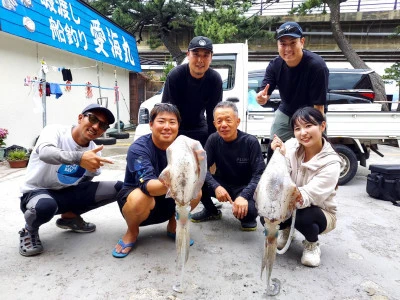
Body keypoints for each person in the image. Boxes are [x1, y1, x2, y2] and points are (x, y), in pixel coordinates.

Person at [19, 103, 122, 257]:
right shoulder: (55, 131)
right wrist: (79, 158)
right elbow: (46, 153)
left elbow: (87, 178)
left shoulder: (93, 150)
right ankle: (29, 230)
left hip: (66, 193)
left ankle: (70, 218)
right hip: (37, 194)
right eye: (93, 119)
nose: (95, 126)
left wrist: (76, 203)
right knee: (45, 206)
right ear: (80, 118)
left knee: (120, 187)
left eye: (102, 125)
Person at [113, 103, 202, 258]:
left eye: (172, 122)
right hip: (142, 199)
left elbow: (201, 175)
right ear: (151, 125)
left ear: (178, 126)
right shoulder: (139, 148)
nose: (167, 126)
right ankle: (132, 232)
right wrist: (176, 178)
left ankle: (174, 226)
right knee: (139, 198)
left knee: (196, 191)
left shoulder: (186, 147)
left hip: (168, 199)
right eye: (161, 121)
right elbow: (149, 187)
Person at [271, 107, 342, 267]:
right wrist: (280, 156)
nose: (303, 132)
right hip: (292, 202)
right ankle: (286, 230)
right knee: (266, 212)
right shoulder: (290, 146)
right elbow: (279, 179)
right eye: (298, 128)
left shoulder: (332, 163)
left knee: (304, 216)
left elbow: (307, 196)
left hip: (319, 211)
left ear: (322, 126)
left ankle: (312, 244)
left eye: (309, 126)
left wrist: (281, 200)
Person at [256, 21, 329, 161]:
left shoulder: (317, 66)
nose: (287, 49)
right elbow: (264, 94)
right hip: (286, 111)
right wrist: (261, 98)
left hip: (311, 114)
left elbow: (319, 106)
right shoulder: (274, 65)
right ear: (277, 45)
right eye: (283, 44)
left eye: (292, 43)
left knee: (313, 154)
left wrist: (317, 130)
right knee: (275, 150)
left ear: (302, 42)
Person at [191, 101, 265, 231]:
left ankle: (245, 210)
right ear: (214, 124)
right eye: (219, 121)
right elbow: (203, 168)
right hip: (222, 183)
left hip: (244, 187)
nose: (223, 125)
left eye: (228, 120)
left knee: (249, 214)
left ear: (237, 121)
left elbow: (259, 174)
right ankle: (211, 211)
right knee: (196, 180)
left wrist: (244, 196)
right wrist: (216, 186)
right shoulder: (213, 140)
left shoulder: (250, 142)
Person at [161, 36, 223, 147]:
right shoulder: (175, 75)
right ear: (188, 55)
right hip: (177, 128)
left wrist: (213, 146)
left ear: (211, 57)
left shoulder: (214, 79)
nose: (200, 60)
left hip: (199, 127)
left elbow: (213, 115)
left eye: (205, 55)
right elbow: (167, 111)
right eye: (196, 54)